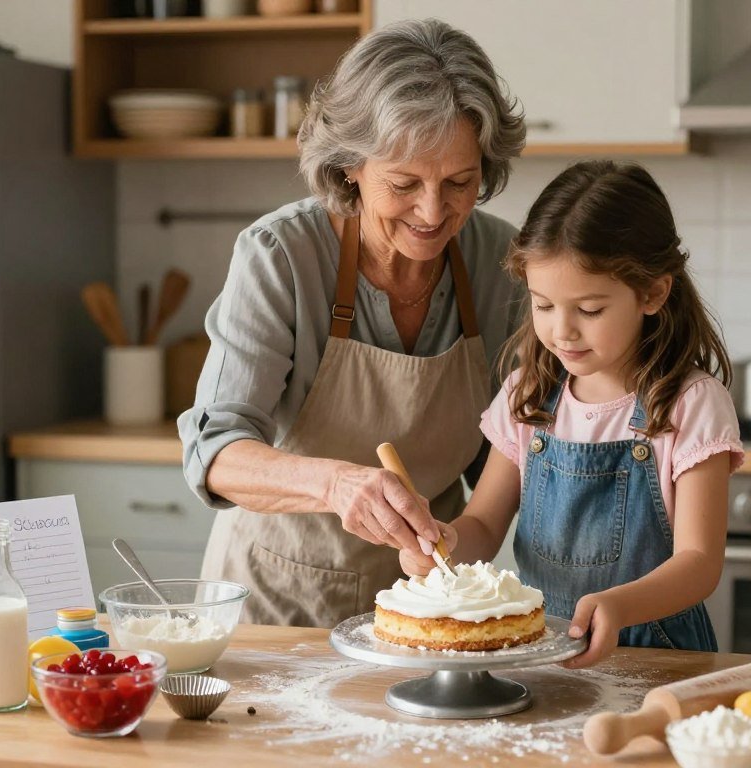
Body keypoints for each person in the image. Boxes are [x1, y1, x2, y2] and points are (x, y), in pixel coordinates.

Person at [178, 18, 526, 627]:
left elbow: (504, 459)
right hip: (275, 610)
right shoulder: (281, 255)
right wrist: (337, 484)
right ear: (350, 168)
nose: (432, 210)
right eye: (404, 183)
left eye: (459, 183)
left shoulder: (503, 268)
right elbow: (213, 452)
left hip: (423, 610)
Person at [400, 160, 745, 668]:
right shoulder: (530, 395)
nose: (562, 332)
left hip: (659, 663)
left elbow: (699, 564)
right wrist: (446, 543)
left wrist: (620, 605)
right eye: (543, 305)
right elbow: (484, 523)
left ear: (652, 293)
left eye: (589, 310)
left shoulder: (690, 404)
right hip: (543, 656)